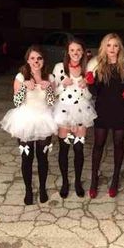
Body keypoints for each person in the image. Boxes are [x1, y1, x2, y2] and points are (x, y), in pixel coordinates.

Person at [0, 45, 57, 205]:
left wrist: (50, 89)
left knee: (42, 157)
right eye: (32, 58)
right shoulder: (20, 76)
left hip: (44, 119)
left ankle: (43, 188)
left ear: (43, 60)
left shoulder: (50, 77)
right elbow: (17, 102)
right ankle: (28, 191)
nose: (36, 61)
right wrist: (24, 87)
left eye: (39, 58)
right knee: (27, 158)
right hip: (25, 118)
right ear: (27, 60)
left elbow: (52, 102)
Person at [86, 33, 124, 198]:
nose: (112, 49)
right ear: (104, 47)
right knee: (98, 144)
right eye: (109, 45)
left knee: (118, 144)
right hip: (102, 109)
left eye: (115, 45)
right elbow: (94, 92)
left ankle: (115, 178)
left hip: (120, 109)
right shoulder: (97, 65)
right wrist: (90, 82)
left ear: (120, 47)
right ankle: (94, 179)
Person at [52, 38, 96, 198]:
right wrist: (62, 84)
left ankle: (77, 182)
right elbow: (53, 93)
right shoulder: (59, 68)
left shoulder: (87, 69)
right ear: (68, 52)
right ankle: (65, 182)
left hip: (81, 111)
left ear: (83, 52)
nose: (75, 53)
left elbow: (90, 95)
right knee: (64, 149)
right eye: (72, 50)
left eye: (78, 50)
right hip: (63, 110)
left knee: (78, 149)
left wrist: (86, 85)